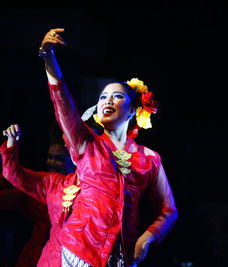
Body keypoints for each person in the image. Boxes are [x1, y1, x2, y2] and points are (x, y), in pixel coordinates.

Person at [37, 28, 178, 267]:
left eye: (117, 97)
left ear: (133, 110)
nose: (107, 101)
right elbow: (62, 102)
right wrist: (48, 55)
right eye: (103, 97)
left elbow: (168, 210)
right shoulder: (86, 142)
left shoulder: (149, 158)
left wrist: (145, 240)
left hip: (120, 257)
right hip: (77, 251)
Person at [0, 125, 75, 267]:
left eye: (58, 159)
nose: (52, 162)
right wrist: (12, 141)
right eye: (50, 157)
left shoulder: (89, 189)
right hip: (36, 257)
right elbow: (13, 174)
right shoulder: (49, 183)